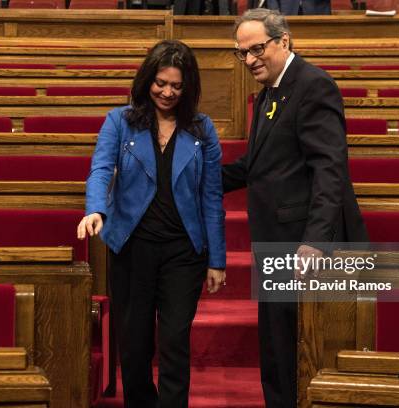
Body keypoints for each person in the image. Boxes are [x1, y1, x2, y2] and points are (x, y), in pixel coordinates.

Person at [223, 8, 368, 408]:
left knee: (299, 352)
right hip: (275, 243)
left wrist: (316, 243)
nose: (249, 60)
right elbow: (256, 166)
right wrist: (191, 181)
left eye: (256, 49)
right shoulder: (271, 90)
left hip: (304, 249)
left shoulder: (313, 85)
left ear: (283, 41)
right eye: (242, 53)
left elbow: (329, 169)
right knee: (276, 347)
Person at [77, 40, 226, 408]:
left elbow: (211, 197)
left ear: (188, 87)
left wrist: (217, 260)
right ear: (147, 80)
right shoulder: (120, 121)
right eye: (161, 83)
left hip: (183, 253)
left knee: (175, 340)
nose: (168, 92)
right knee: (134, 343)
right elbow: (100, 169)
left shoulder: (202, 130)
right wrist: (96, 209)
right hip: (132, 248)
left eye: (177, 85)